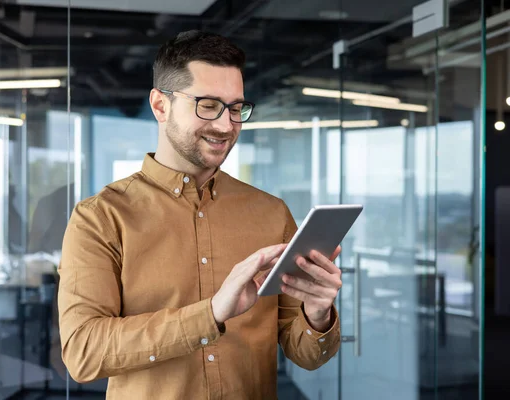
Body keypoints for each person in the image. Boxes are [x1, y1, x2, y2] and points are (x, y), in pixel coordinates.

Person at [58, 30, 342, 399]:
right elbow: (83, 352)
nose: (226, 125)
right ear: (161, 106)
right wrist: (210, 313)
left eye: (236, 108)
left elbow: (305, 353)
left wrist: (318, 314)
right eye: (208, 105)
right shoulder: (100, 218)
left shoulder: (272, 214)